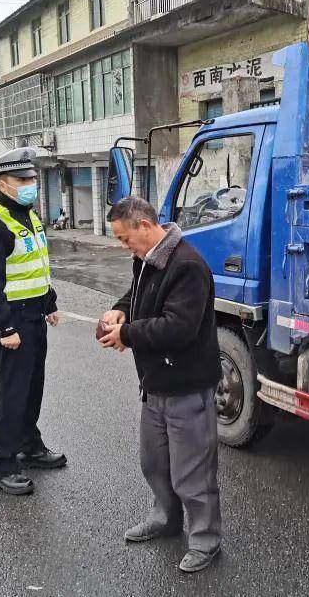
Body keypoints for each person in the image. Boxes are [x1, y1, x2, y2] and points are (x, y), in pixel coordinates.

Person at [99, 196, 222, 573]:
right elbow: (138, 298)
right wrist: (120, 309)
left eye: (124, 238)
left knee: (192, 472)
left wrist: (128, 334)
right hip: (155, 384)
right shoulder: (146, 259)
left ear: (144, 227)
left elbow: (178, 328)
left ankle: (205, 540)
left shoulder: (187, 266)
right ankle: (166, 520)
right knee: (154, 463)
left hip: (187, 386)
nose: (123, 246)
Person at [0, 148, 66, 496]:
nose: (30, 184)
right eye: (21, 180)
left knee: (32, 387)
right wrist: (3, 328)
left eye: (31, 178)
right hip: (11, 322)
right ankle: (3, 462)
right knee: (11, 393)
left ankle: (29, 445)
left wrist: (50, 303)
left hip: (35, 316)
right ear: (2, 184)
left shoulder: (29, 217)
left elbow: (37, 265)